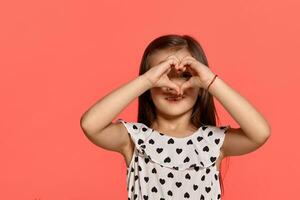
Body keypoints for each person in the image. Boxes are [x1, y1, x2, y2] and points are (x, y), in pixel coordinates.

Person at [80, 34, 271, 200]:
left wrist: (210, 81)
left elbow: (260, 133)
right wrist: (146, 80)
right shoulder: (134, 140)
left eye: (185, 75)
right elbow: (90, 124)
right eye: (163, 74)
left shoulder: (213, 142)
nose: (173, 86)